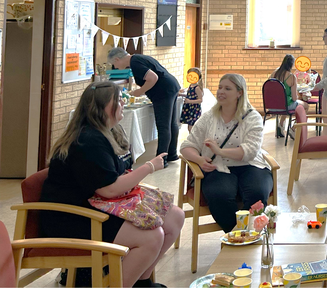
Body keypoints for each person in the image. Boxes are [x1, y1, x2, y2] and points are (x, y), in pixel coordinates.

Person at [40, 81, 184, 288]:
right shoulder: (87, 140)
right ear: (101, 107)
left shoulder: (108, 132)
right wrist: (149, 167)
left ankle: (139, 280)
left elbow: (115, 178)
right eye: (118, 99)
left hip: (98, 205)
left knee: (175, 217)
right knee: (152, 237)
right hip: (73, 216)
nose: (124, 102)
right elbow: (109, 189)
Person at [180, 74, 274, 233]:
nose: (221, 92)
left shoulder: (253, 117)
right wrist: (200, 159)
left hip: (251, 165)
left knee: (257, 193)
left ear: (240, 93)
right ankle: (238, 236)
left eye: (227, 88)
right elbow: (187, 146)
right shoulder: (209, 117)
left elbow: (250, 152)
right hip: (219, 167)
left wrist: (220, 151)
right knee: (219, 195)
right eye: (220, 87)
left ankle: (249, 235)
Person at [108, 48, 182, 167]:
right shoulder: (138, 58)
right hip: (170, 87)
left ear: (117, 59)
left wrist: (140, 91)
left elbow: (153, 78)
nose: (115, 67)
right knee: (171, 123)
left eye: (114, 64)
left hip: (163, 92)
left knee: (163, 125)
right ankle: (171, 153)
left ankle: (161, 159)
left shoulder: (135, 63)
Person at [271, 54, 309, 138]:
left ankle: (280, 126)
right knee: (305, 106)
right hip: (285, 105)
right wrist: (297, 97)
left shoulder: (274, 74)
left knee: (286, 102)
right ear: (292, 65)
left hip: (272, 106)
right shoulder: (291, 77)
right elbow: (294, 98)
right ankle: (293, 129)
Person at [179, 67, 204, 132]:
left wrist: (189, 101)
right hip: (189, 108)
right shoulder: (190, 86)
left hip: (194, 109)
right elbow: (190, 96)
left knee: (192, 126)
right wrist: (181, 94)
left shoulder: (197, 88)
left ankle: (193, 139)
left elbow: (200, 100)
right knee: (189, 126)